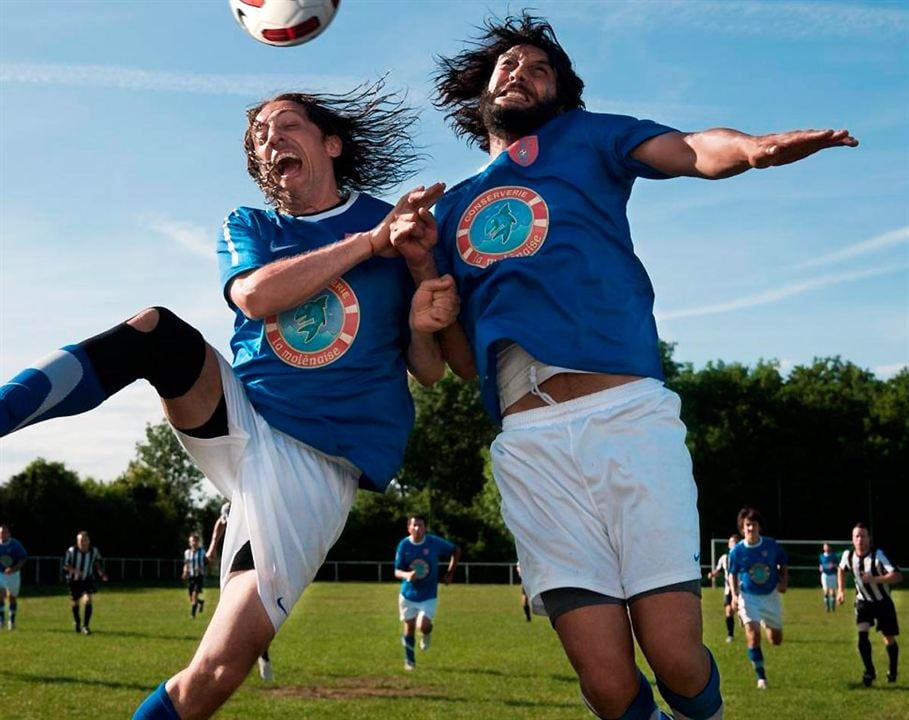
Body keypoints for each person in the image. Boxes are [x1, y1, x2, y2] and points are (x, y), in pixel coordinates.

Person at [395, 11, 855, 719]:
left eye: (539, 67)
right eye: (508, 64)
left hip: (626, 420)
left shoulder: (588, 137)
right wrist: (420, 270)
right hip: (529, 445)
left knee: (674, 659)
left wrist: (753, 149)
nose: (520, 71)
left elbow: (694, 148)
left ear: (561, 95)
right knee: (607, 686)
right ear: (485, 88)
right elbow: (452, 364)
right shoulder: (451, 209)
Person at [0, 80, 459, 720]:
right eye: (260, 137)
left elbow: (429, 371)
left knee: (212, 675)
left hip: (313, 468)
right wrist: (369, 244)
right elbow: (255, 298)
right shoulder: (253, 226)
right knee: (156, 332)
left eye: (286, 125)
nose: (271, 141)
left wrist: (416, 291)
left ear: (330, 142)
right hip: (240, 416)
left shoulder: (396, 231)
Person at [206, 502, 273, 682]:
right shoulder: (230, 503)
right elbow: (221, 521)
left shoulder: (261, 495)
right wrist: (213, 546)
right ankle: (225, 656)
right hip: (239, 556)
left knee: (262, 608)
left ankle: (261, 654)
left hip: (262, 555)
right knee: (231, 607)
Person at [728, 507, 788, 690]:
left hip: (770, 596)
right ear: (742, 528)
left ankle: (765, 623)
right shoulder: (737, 551)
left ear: (759, 527)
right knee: (753, 637)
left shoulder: (771, 545)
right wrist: (735, 594)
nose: (750, 529)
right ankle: (761, 678)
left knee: (776, 639)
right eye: (747, 525)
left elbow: (783, 563)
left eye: (753, 525)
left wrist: (784, 581)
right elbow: (732, 574)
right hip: (748, 596)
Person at [837, 522, 902, 686]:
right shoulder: (848, 556)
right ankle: (869, 672)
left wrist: (874, 579)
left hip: (883, 602)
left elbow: (897, 576)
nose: (860, 540)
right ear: (852, 539)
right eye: (856, 536)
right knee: (862, 634)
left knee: (889, 639)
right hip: (863, 602)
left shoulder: (878, 555)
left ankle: (892, 669)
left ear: (869, 538)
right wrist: (840, 590)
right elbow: (841, 569)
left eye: (863, 536)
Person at [394, 514, 460, 671]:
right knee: (409, 627)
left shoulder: (433, 543)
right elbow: (397, 571)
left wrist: (450, 572)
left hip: (428, 594)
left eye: (421, 525)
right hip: (408, 594)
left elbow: (455, 550)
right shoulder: (404, 545)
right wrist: (407, 575)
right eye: (414, 525)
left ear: (425, 527)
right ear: (409, 528)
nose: (417, 528)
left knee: (423, 625)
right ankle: (410, 661)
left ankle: (426, 633)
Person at [63, 530, 109, 635]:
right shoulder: (71, 551)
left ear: (88, 541)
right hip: (73, 580)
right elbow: (66, 565)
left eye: (84, 540)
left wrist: (101, 573)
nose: (82, 543)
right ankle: (77, 622)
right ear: (77, 541)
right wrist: (75, 571)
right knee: (75, 603)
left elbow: (97, 562)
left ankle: (86, 626)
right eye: (80, 540)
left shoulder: (94, 551)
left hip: (87, 578)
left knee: (88, 599)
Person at [708, 534, 740, 643]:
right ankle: (730, 635)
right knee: (728, 611)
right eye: (732, 542)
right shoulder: (724, 558)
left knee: (740, 609)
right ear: (729, 544)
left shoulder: (744, 556)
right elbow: (719, 570)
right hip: (728, 589)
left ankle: (742, 615)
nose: (734, 544)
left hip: (742, 589)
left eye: (736, 542)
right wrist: (712, 574)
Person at [0, 524, 28, 630]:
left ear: (8, 534)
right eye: (1, 533)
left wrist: (13, 569)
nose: (2, 534)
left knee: (12, 597)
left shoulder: (15, 544)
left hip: (14, 574)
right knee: (1, 594)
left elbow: (23, 558)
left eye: (4, 532)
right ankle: (1, 620)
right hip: (1, 574)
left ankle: (11, 621)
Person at [183, 532, 207, 620]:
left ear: (197, 542)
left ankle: (192, 615)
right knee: (191, 598)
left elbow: (207, 562)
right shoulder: (187, 552)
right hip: (191, 577)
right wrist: (185, 572)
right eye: (192, 541)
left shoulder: (202, 551)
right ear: (190, 542)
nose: (193, 543)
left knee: (194, 596)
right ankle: (201, 602)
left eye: (195, 541)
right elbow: (186, 563)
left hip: (199, 576)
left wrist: (201, 568)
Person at [818, 542, 839, 613]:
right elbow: (821, 565)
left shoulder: (834, 556)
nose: (825, 548)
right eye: (824, 547)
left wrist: (833, 565)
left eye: (827, 546)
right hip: (824, 575)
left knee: (832, 591)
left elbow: (837, 566)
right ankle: (827, 607)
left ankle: (833, 607)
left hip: (832, 575)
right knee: (826, 591)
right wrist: (820, 568)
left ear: (830, 547)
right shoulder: (821, 556)